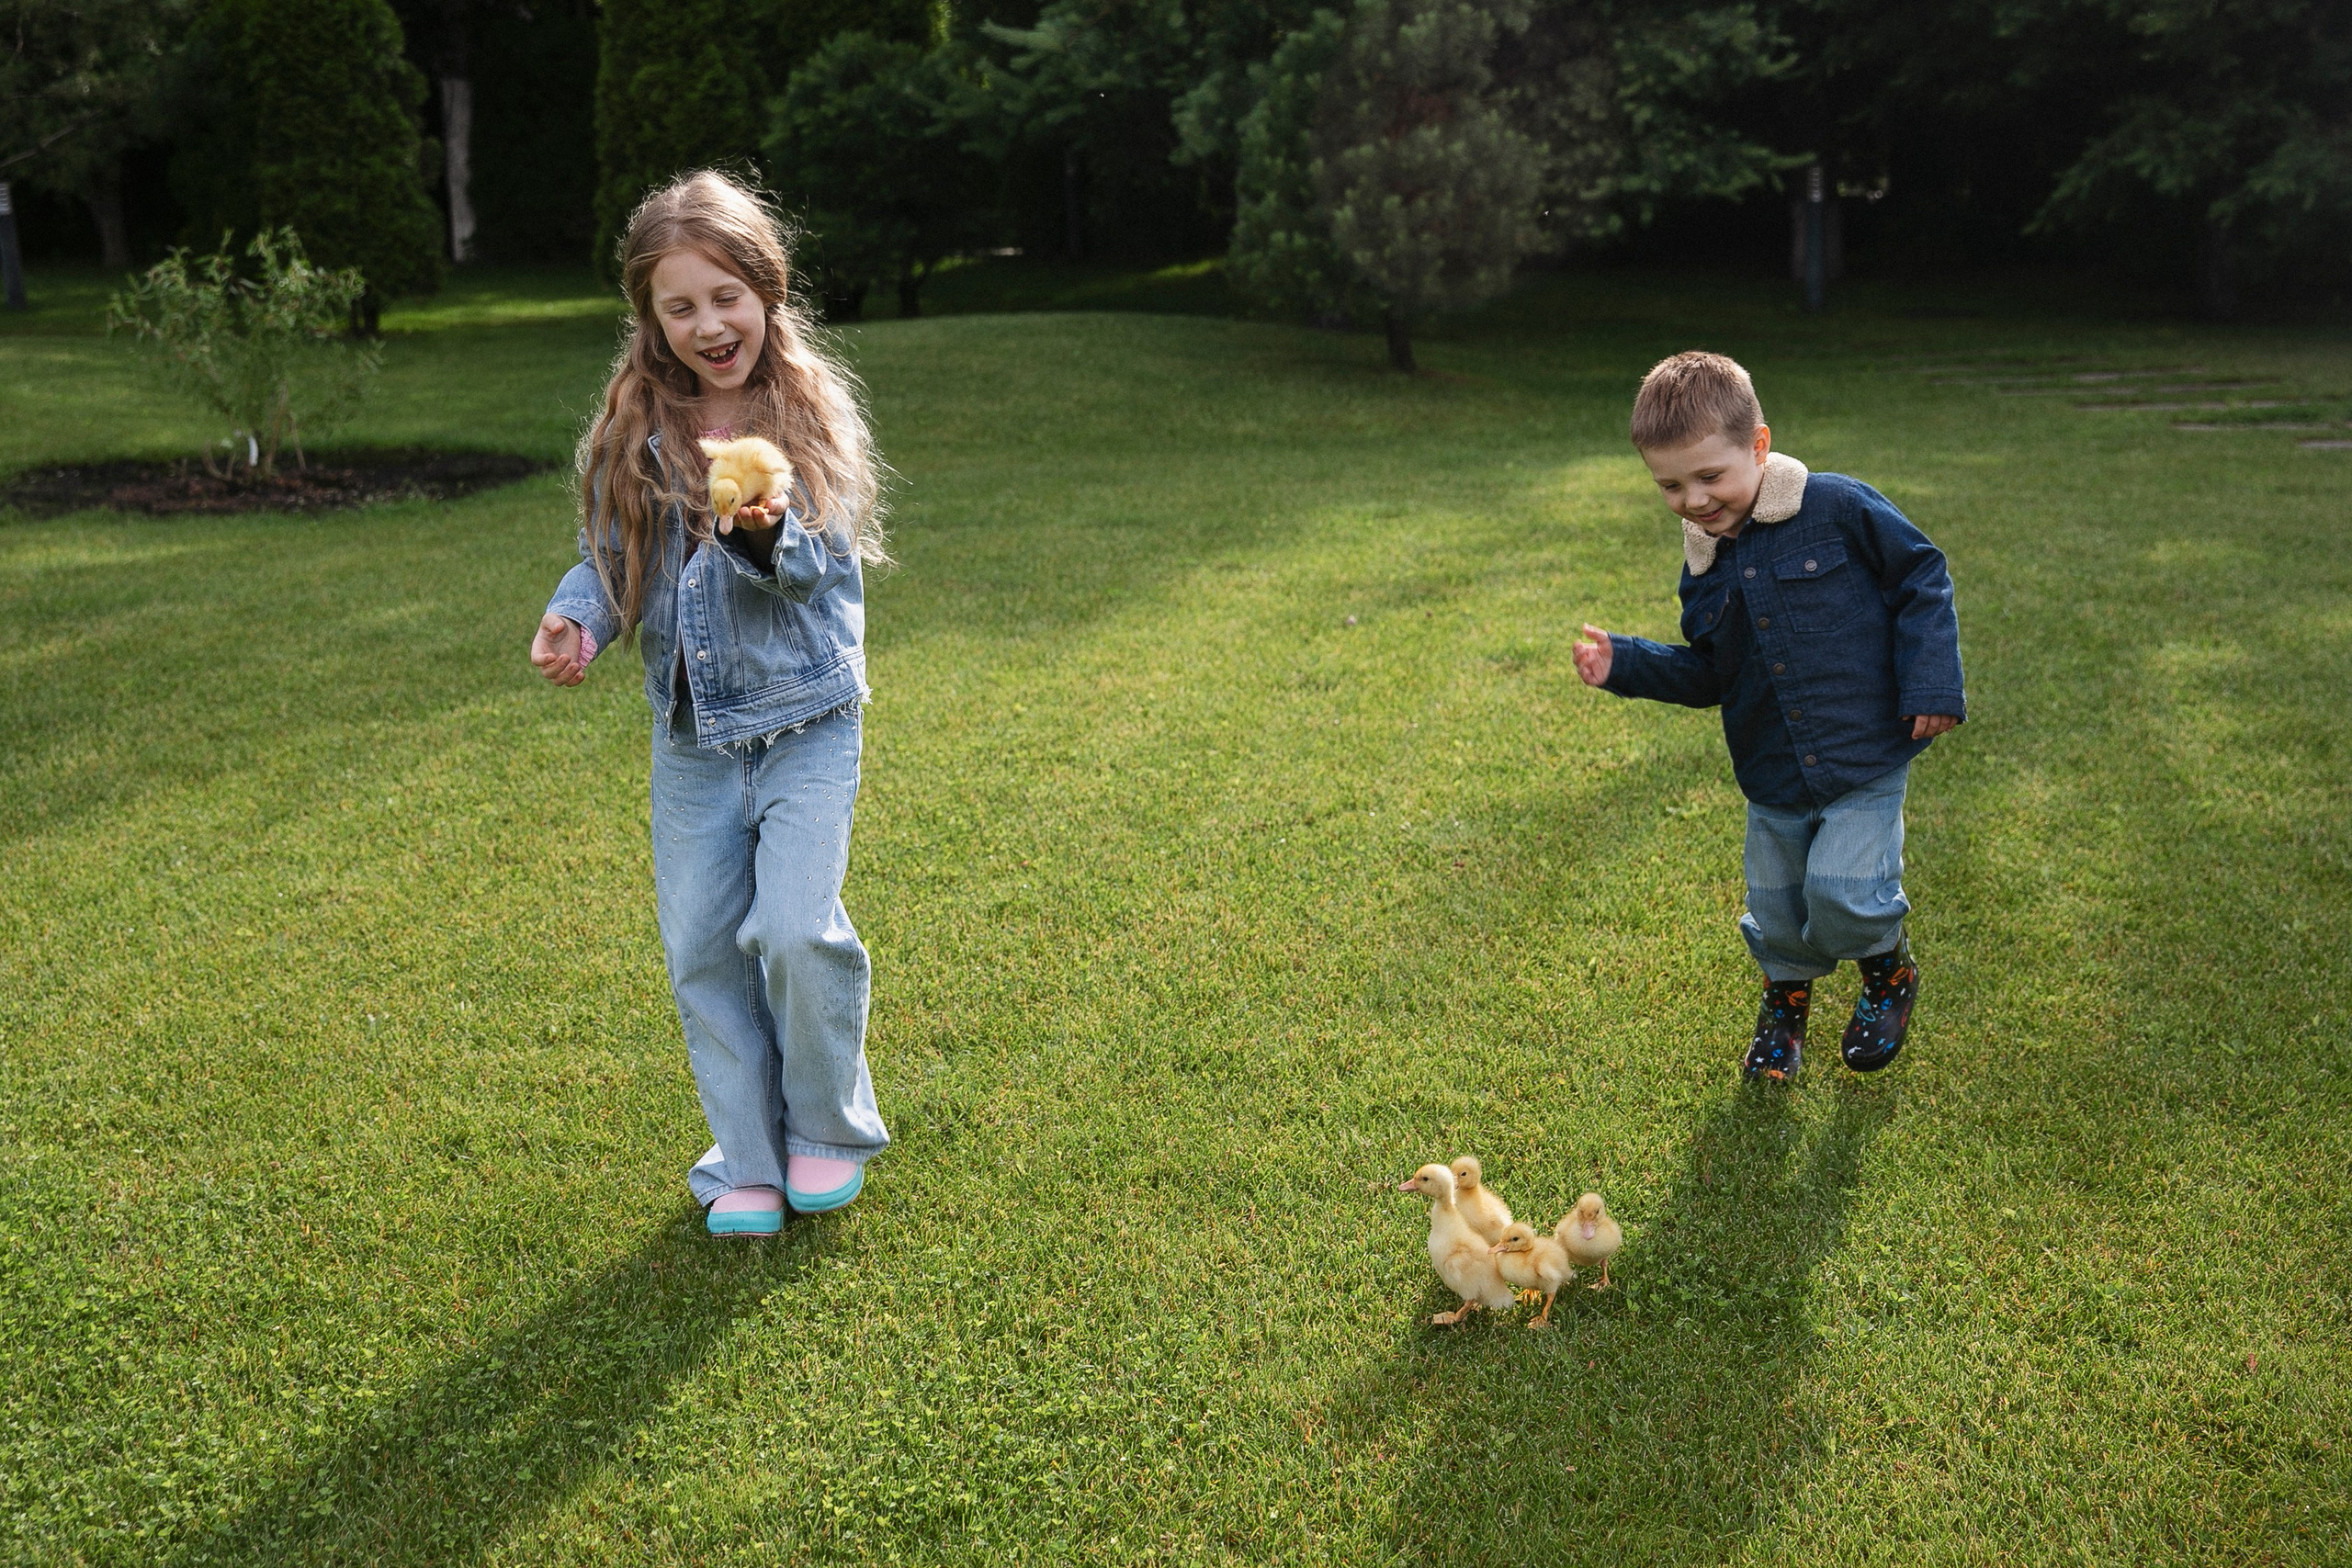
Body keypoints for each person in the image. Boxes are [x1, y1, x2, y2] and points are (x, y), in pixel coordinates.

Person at [529, 170, 890, 1232]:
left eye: (725, 297)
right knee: (702, 948)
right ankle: (746, 1156)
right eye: (679, 306)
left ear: (765, 291)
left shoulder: (804, 413)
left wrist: (764, 534)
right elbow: (612, 557)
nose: (709, 325)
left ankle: (822, 1126)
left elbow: (820, 568)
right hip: (691, 739)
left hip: (805, 723)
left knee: (794, 931)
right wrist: (577, 618)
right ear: (650, 319)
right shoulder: (637, 426)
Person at [1574, 351, 1965, 1081]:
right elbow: (1710, 674)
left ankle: (1889, 973)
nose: (1693, 499)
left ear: (1758, 445)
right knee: (1778, 907)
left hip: (1863, 755)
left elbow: (1922, 574)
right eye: (1670, 485)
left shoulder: (1837, 507)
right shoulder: (1702, 571)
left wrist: (1932, 680)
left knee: (1844, 891)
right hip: (1771, 770)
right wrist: (1625, 664)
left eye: (1709, 476)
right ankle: (1785, 1008)